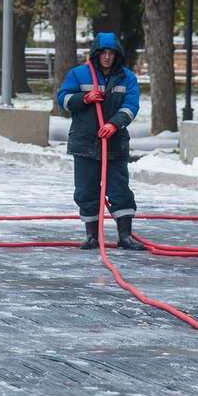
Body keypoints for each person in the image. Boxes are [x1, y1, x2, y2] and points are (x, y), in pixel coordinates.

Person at [57, 32, 145, 251]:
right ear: (96, 54)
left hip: (114, 144)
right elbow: (63, 99)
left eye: (111, 53)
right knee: (86, 191)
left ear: (117, 55)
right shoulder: (79, 74)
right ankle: (92, 237)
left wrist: (114, 124)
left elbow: (131, 106)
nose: (107, 57)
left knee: (119, 190)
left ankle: (125, 236)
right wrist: (84, 98)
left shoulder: (127, 78)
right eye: (103, 53)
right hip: (85, 143)